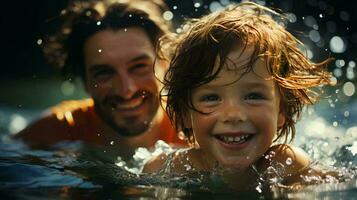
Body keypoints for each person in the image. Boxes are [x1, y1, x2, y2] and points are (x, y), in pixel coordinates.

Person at [144, 2, 337, 191]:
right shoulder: (166, 171)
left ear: (282, 110)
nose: (233, 114)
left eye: (253, 95)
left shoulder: (287, 166)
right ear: (186, 114)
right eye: (211, 98)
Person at [15, 0, 185, 160]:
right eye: (104, 72)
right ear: (85, 81)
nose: (126, 90)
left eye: (139, 66)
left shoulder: (196, 132)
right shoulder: (52, 135)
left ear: (165, 64)